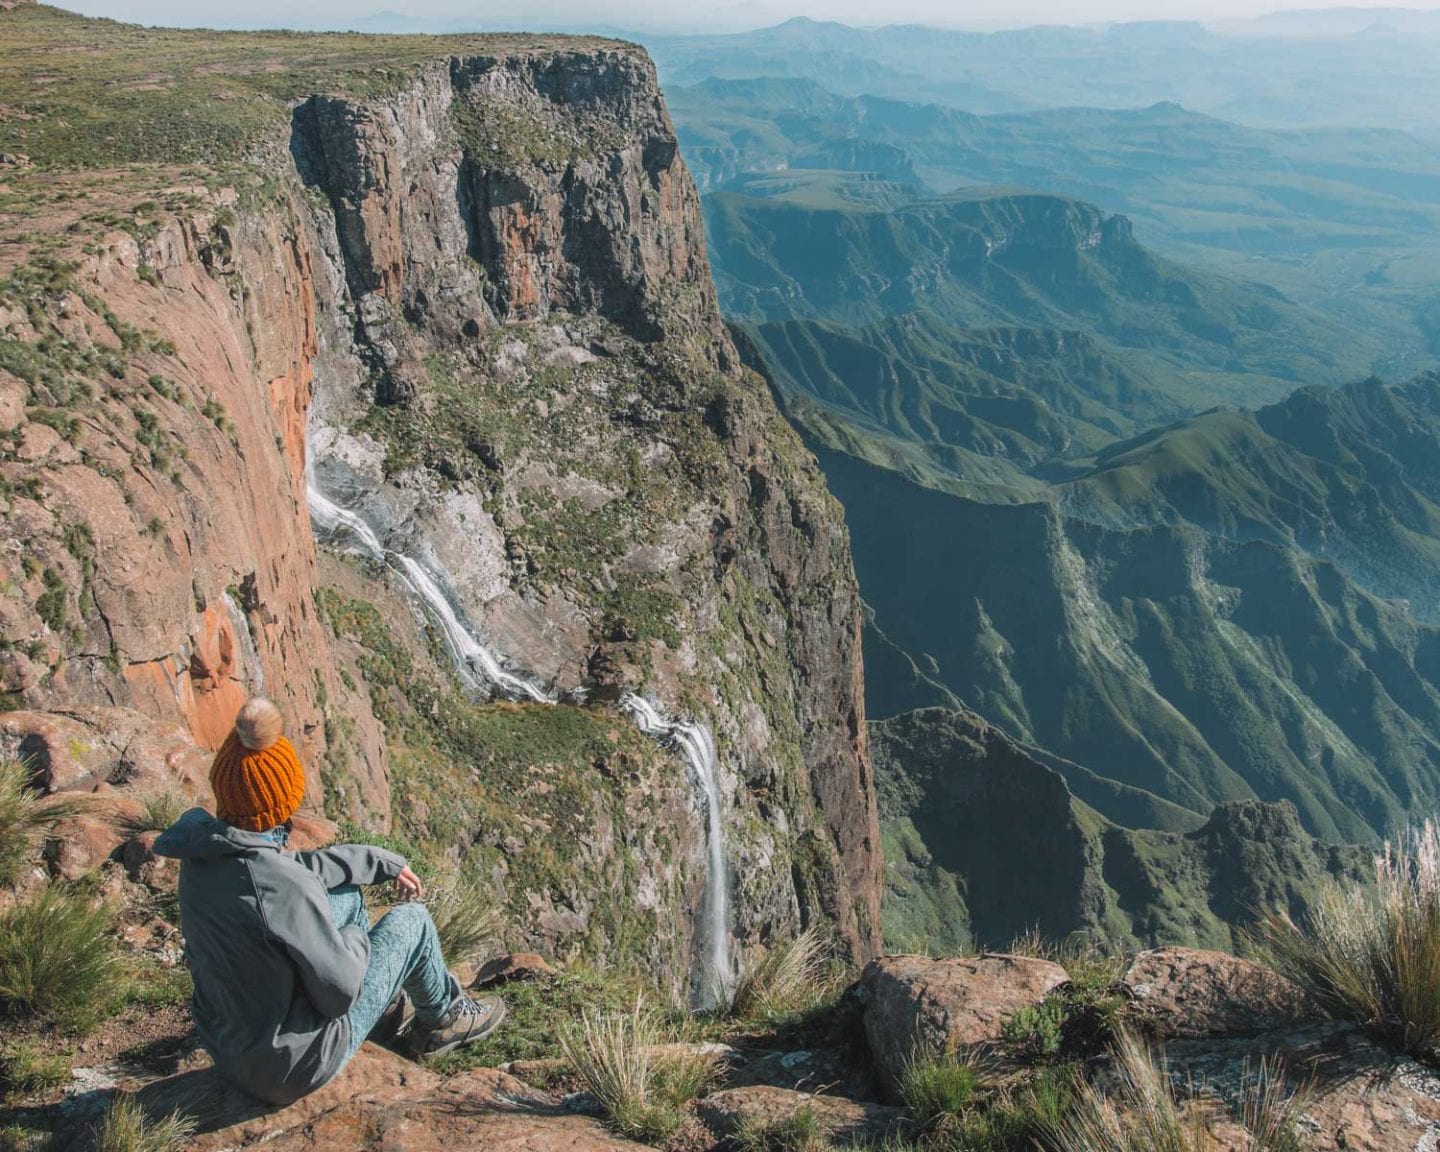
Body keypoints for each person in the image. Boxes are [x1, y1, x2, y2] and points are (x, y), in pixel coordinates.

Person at [153, 697, 504, 1105]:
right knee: (413, 922)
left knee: (345, 892)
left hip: (231, 1045)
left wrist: (373, 860)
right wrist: (356, 937)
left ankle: (386, 1011)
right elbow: (339, 994)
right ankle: (445, 1018)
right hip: (291, 1066)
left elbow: (287, 871)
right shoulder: (282, 888)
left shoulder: (204, 853)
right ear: (282, 801)